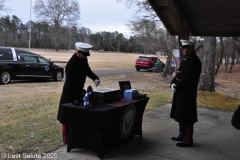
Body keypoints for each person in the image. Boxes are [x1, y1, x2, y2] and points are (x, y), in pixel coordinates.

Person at [57, 42, 100, 143]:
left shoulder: (83, 59)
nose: (85, 57)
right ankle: (67, 140)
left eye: (86, 55)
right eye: (84, 54)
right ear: (77, 52)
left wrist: (95, 78)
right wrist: (82, 92)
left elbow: (87, 70)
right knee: (67, 119)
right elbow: (70, 84)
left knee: (77, 117)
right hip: (69, 95)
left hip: (79, 93)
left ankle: (77, 137)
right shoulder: (71, 64)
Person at [170, 39, 202, 147]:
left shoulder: (195, 61)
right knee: (181, 115)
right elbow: (179, 75)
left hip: (187, 94)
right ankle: (182, 134)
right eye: (183, 48)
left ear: (191, 48)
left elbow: (188, 78)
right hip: (181, 92)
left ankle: (188, 140)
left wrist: (177, 86)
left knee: (187, 117)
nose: (184, 50)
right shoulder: (186, 60)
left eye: (186, 48)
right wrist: (173, 83)